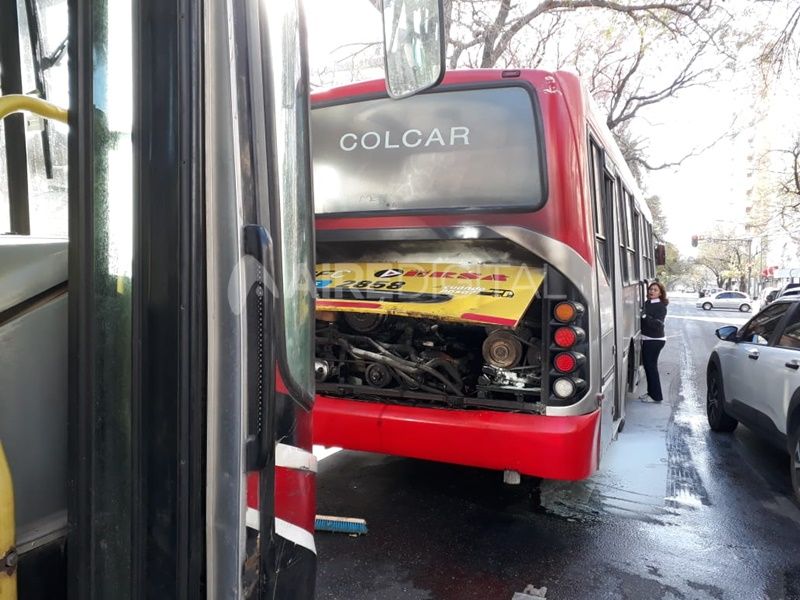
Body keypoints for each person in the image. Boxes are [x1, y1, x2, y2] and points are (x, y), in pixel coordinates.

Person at [640, 281, 668, 403]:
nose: (652, 291)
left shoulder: (661, 306)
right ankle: (651, 393)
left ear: (660, 293)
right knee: (648, 367)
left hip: (655, 340)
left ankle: (656, 396)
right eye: (651, 289)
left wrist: (645, 317)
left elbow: (658, 324)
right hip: (648, 339)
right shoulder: (648, 303)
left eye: (655, 290)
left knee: (651, 368)